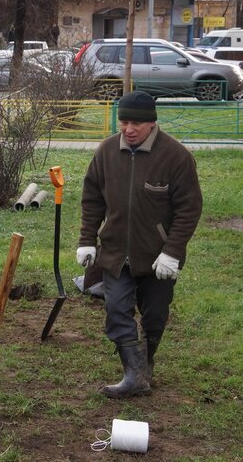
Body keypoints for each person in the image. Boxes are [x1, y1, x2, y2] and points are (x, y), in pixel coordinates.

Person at [78, 90, 202, 399]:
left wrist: (172, 252)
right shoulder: (106, 152)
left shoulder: (176, 156)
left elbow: (189, 209)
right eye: (124, 122)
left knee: (155, 315)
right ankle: (133, 373)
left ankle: (145, 364)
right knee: (116, 309)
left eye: (136, 123)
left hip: (157, 255)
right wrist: (87, 240)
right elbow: (92, 199)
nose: (129, 129)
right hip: (115, 252)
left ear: (152, 124)